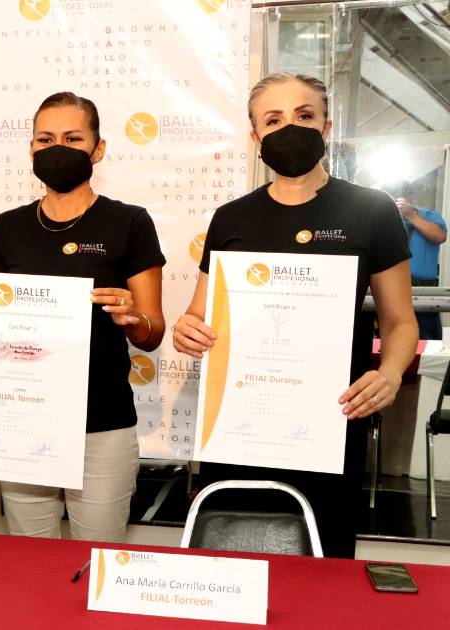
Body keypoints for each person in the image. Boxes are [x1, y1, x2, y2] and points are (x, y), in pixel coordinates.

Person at [172, 73, 418, 558]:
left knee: (322, 561)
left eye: (304, 116)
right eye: (273, 119)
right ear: (255, 137)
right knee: (232, 555)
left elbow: (400, 321)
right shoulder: (231, 218)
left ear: (326, 127)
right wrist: (187, 330)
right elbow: (198, 314)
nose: (289, 128)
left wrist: (389, 374)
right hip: (240, 422)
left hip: (330, 418)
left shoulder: (371, 210)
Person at [0, 92, 166, 542]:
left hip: (102, 424)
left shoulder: (130, 222)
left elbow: (152, 332)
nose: (57, 149)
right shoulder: (7, 227)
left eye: (73, 138)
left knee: (94, 559)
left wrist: (134, 318)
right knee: (28, 562)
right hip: (22, 420)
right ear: (31, 148)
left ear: (98, 149)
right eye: (45, 139)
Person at [382, 179, 445, 340]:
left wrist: (410, 215)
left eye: (396, 197)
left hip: (423, 291)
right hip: (390, 289)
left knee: (427, 341)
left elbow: (439, 236)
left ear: (409, 198)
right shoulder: (383, 218)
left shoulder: (429, 215)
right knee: (392, 338)